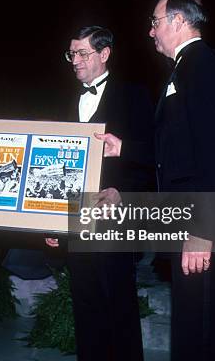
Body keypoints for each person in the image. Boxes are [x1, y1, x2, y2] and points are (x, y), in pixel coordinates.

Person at [103, 0, 215, 360]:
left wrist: (203, 230)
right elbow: (176, 153)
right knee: (208, 328)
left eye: (155, 21)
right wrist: (124, 149)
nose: (151, 32)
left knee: (200, 334)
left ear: (178, 22)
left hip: (200, 223)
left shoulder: (204, 66)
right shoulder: (185, 68)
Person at [49, 26, 155, 360]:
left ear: (104, 53)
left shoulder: (133, 95)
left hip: (115, 218)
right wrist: (51, 222)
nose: (75, 61)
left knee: (119, 308)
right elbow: (51, 167)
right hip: (76, 215)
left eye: (82, 53)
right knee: (86, 307)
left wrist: (123, 193)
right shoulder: (63, 101)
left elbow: (153, 156)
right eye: (71, 54)